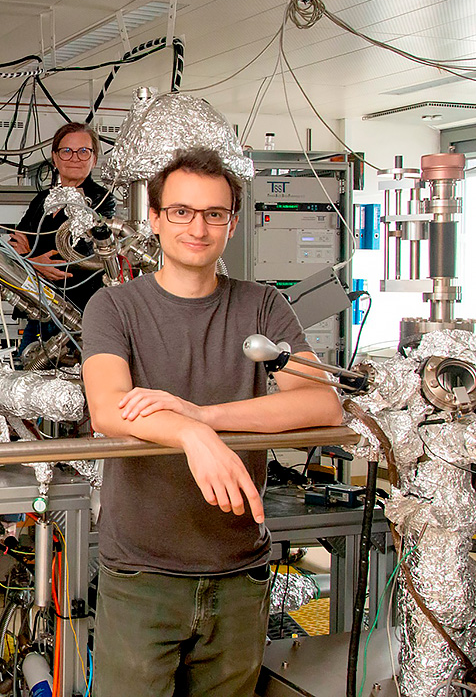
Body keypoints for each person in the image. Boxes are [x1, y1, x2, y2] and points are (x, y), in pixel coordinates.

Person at [81, 147, 342, 697]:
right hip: (142, 575)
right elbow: (109, 408)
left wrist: (203, 415)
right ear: (155, 219)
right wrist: (191, 435)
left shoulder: (263, 306)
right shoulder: (114, 307)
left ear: (232, 223)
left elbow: (322, 403)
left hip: (238, 573)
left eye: (213, 214)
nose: (197, 228)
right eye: (181, 212)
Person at [11, 122, 117, 311]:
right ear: (55, 158)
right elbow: (13, 245)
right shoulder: (41, 200)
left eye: (83, 151)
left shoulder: (102, 200)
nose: (74, 158)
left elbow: (82, 256)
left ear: (94, 159)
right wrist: (35, 263)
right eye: (66, 151)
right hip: (37, 307)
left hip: (78, 308)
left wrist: (29, 258)